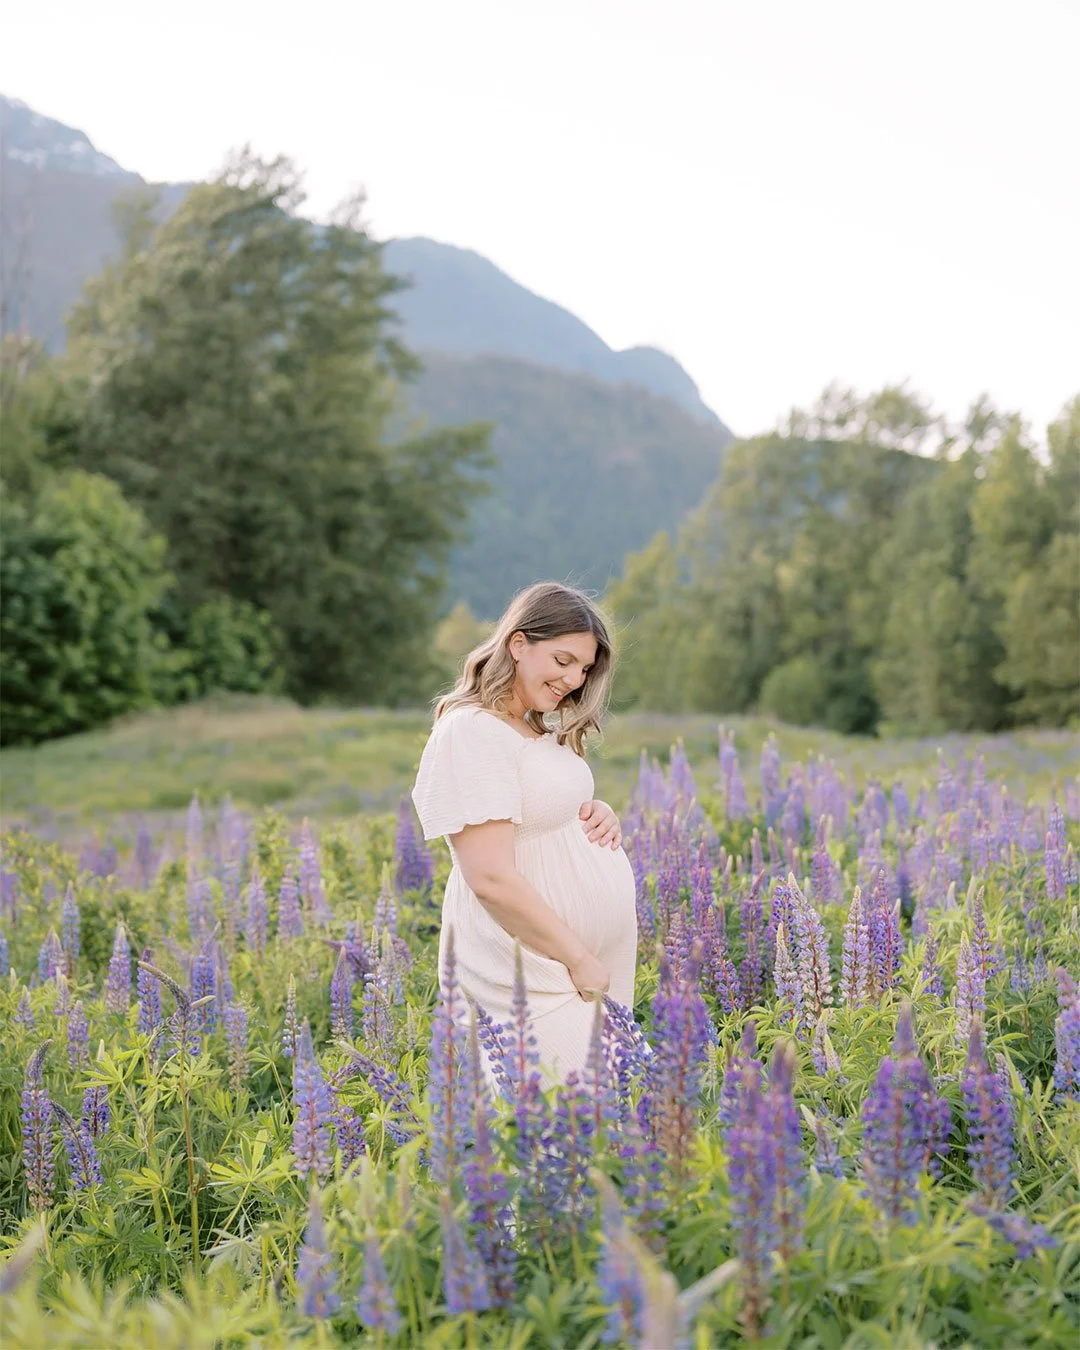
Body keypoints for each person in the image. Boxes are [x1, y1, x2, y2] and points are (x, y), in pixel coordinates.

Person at [411, 580, 637, 1088]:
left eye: (583, 669)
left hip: (573, 964)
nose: (573, 680)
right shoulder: (471, 730)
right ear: (518, 643)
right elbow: (489, 877)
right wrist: (578, 958)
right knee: (569, 1129)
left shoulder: (537, 728)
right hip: (530, 971)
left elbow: (543, 812)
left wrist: (596, 813)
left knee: (610, 1124)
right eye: (562, 660)